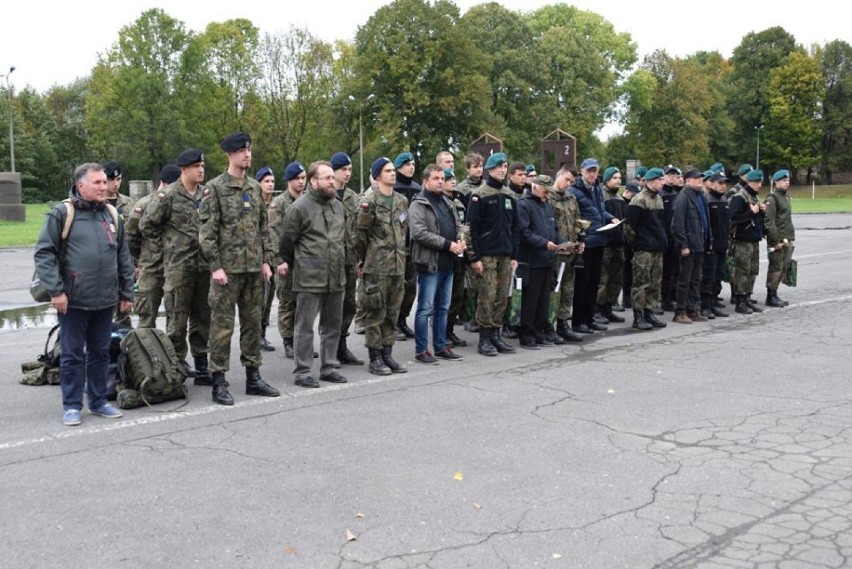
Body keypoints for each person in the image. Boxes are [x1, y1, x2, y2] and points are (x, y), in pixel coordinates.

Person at [34, 163, 134, 426]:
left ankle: (99, 401)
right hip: (73, 300)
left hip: (105, 300)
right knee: (72, 355)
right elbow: (44, 253)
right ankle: (72, 405)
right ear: (81, 186)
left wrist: (126, 293)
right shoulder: (63, 213)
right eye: (97, 183)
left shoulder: (111, 214)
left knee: (101, 353)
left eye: (104, 182)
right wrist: (56, 291)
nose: (104, 187)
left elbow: (123, 256)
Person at [198, 132, 280, 405]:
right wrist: (215, 266)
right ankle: (218, 381)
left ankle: (253, 377)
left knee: (252, 325)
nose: (248, 154)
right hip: (227, 272)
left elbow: (263, 228)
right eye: (242, 150)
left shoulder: (255, 188)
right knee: (222, 327)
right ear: (230, 154)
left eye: (249, 149)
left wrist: (267, 260)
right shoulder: (215, 188)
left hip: (253, 269)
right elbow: (207, 233)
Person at [139, 148, 213, 384]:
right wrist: (168, 245)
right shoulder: (168, 196)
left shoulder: (207, 194)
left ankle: (202, 367)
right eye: (196, 167)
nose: (201, 170)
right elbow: (147, 225)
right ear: (184, 170)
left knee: (203, 320)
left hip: (204, 267)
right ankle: (176, 368)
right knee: (177, 323)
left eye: (202, 166)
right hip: (179, 268)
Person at [279, 161, 348, 388]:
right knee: (305, 327)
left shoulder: (338, 206)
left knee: (332, 325)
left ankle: (328, 366)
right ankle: (303, 371)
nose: (332, 181)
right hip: (309, 278)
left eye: (332, 177)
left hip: (336, 276)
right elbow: (287, 242)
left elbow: (342, 240)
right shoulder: (299, 208)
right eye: (327, 178)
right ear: (313, 181)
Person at [355, 157, 409, 375]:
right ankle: (375, 357)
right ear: (377, 176)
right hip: (376, 267)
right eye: (387, 171)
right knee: (374, 312)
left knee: (392, 312)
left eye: (393, 170)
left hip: (397, 266)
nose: (393, 174)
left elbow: (404, 231)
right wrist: (363, 260)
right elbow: (360, 236)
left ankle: (388, 353)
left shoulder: (401, 201)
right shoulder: (368, 201)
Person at [409, 164, 466, 363]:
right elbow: (419, 233)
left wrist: (460, 240)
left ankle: (441, 346)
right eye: (436, 178)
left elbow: (457, 225)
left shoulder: (446, 202)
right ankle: (421, 350)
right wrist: (447, 244)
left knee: (443, 308)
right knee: (425, 308)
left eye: (442, 178)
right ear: (425, 181)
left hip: (448, 264)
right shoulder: (419, 204)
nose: (441, 181)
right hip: (429, 264)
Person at [467, 152, 518, 356]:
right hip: (486, 254)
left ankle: (496, 334)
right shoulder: (480, 194)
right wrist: (475, 257)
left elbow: (515, 228)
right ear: (490, 169)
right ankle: (485, 337)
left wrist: (515, 255)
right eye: (498, 167)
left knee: (501, 297)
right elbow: (471, 229)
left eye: (505, 166)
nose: (502, 170)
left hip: (505, 254)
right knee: (486, 296)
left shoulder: (509, 195)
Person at [125, 163, 180, 329]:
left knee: (176, 318)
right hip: (151, 269)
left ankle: (172, 354)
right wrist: (142, 257)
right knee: (146, 318)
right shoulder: (145, 204)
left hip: (175, 267)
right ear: (163, 183)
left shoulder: (182, 205)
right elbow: (131, 235)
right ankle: (144, 354)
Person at [569, 158, 616, 334]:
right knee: (582, 283)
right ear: (581, 171)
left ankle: (590, 318)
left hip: (599, 239)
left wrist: (611, 218)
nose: (592, 174)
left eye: (595, 171)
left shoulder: (596, 188)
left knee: (594, 282)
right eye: (589, 171)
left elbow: (599, 210)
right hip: (585, 242)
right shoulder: (574, 190)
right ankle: (578, 320)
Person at [517, 175, 562, 349]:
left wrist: (563, 243)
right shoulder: (524, 204)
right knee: (530, 299)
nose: (547, 193)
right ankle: (526, 334)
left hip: (547, 259)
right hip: (532, 260)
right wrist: (544, 244)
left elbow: (554, 230)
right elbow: (524, 232)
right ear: (535, 186)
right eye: (545, 190)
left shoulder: (547, 205)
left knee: (543, 300)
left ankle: (538, 331)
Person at [330, 152, 364, 365]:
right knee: (331, 307)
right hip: (330, 260)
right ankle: (330, 348)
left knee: (349, 304)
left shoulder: (353, 197)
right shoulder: (324, 194)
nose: (348, 173)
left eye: (350, 170)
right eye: (344, 169)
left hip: (350, 259)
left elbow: (360, 230)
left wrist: (360, 257)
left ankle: (342, 345)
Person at [270, 162, 307, 358]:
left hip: (306, 261)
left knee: (304, 303)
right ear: (289, 181)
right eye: (297, 179)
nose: (301, 182)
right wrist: (279, 260)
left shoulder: (308, 200)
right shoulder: (280, 203)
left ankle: (301, 341)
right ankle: (288, 341)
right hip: (287, 261)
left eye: (303, 178)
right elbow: (273, 233)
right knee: (287, 302)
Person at [623, 167, 668, 331]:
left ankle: (650, 312)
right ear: (650, 181)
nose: (662, 183)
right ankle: (638, 316)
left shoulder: (658, 200)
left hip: (657, 248)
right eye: (659, 180)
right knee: (641, 283)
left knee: (655, 282)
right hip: (644, 249)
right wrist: (637, 243)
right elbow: (628, 227)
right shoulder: (638, 200)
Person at [549, 165, 585, 343]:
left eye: (571, 181)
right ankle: (549, 325)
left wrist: (580, 242)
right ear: (559, 174)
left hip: (571, 253)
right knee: (554, 290)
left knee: (568, 290)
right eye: (566, 179)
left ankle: (563, 324)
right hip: (555, 252)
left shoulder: (571, 198)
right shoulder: (548, 197)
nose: (568, 184)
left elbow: (578, 223)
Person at [671, 168, 711, 324]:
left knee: (696, 279)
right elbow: (678, 224)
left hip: (700, 245)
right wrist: (683, 244)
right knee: (685, 280)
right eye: (696, 178)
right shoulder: (683, 198)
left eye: (701, 178)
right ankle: (680, 311)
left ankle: (692, 309)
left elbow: (704, 221)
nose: (700, 180)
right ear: (687, 181)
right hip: (689, 246)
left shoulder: (701, 196)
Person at [728, 169, 766, 314]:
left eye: (760, 182)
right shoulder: (740, 197)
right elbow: (733, 217)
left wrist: (760, 211)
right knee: (742, 272)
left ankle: (748, 298)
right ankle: (740, 301)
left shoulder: (753, 196)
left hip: (753, 239)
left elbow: (755, 217)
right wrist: (752, 212)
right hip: (743, 240)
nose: (759, 185)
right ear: (749, 182)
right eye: (757, 182)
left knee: (752, 271)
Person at [392, 151, 421, 340]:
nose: (411, 167)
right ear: (399, 166)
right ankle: (392, 322)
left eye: (413, 164)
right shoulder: (393, 187)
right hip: (397, 245)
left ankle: (402, 320)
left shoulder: (417, 188)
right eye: (407, 164)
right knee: (396, 287)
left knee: (411, 287)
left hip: (413, 243)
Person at [103, 161, 135, 328]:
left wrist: (136, 264)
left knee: (124, 311)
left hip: (124, 263)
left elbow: (136, 235)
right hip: (104, 264)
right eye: (111, 180)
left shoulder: (128, 203)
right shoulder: (97, 202)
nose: (115, 184)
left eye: (118, 179)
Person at [442, 168, 469, 348]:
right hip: (446, 254)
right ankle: (441, 332)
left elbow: (465, 226)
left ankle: (450, 330)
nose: (453, 181)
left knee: (458, 296)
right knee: (445, 298)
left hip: (460, 254)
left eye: (454, 178)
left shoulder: (459, 203)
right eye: (448, 179)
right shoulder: (440, 202)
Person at [596, 166, 627, 324]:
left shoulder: (620, 198)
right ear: (607, 179)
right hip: (606, 243)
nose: (618, 180)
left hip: (618, 243)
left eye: (620, 178)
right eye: (615, 178)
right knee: (603, 278)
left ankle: (609, 307)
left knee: (616, 278)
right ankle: (598, 309)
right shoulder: (601, 195)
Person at [700, 171, 730, 319]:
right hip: (711, 246)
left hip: (722, 245)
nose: (723, 186)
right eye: (720, 183)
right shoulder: (707, 200)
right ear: (711, 183)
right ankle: (705, 306)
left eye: (724, 183)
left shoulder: (723, 200)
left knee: (718, 276)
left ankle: (713, 303)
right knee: (708, 278)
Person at [764, 169, 795, 307]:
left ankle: (775, 293)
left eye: (788, 180)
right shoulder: (772, 198)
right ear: (776, 182)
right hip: (777, 240)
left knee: (783, 267)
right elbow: (769, 222)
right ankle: (771, 296)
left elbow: (788, 219)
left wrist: (791, 237)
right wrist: (774, 241)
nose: (787, 182)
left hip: (786, 239)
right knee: (775, 267)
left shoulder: (786, 197)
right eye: (783, 180)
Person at [256, 166, 277, 352]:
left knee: (269, 298)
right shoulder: (255, 203)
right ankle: (255, 335)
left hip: (273, 259)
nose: (270, 185)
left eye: (272, 181)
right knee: (259, 300)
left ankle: (262, 333)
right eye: (266, 181)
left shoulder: (275, 204)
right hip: (259, 259)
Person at [659, 165, 683, 312]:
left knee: (675, 269)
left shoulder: (677, 194)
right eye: (669, 175)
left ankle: (671, 296)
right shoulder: (661, 195)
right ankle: (664, 298)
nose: (672, 178)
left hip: (675, 237)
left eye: (674, 175)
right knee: (665, 271)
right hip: (664, 237)